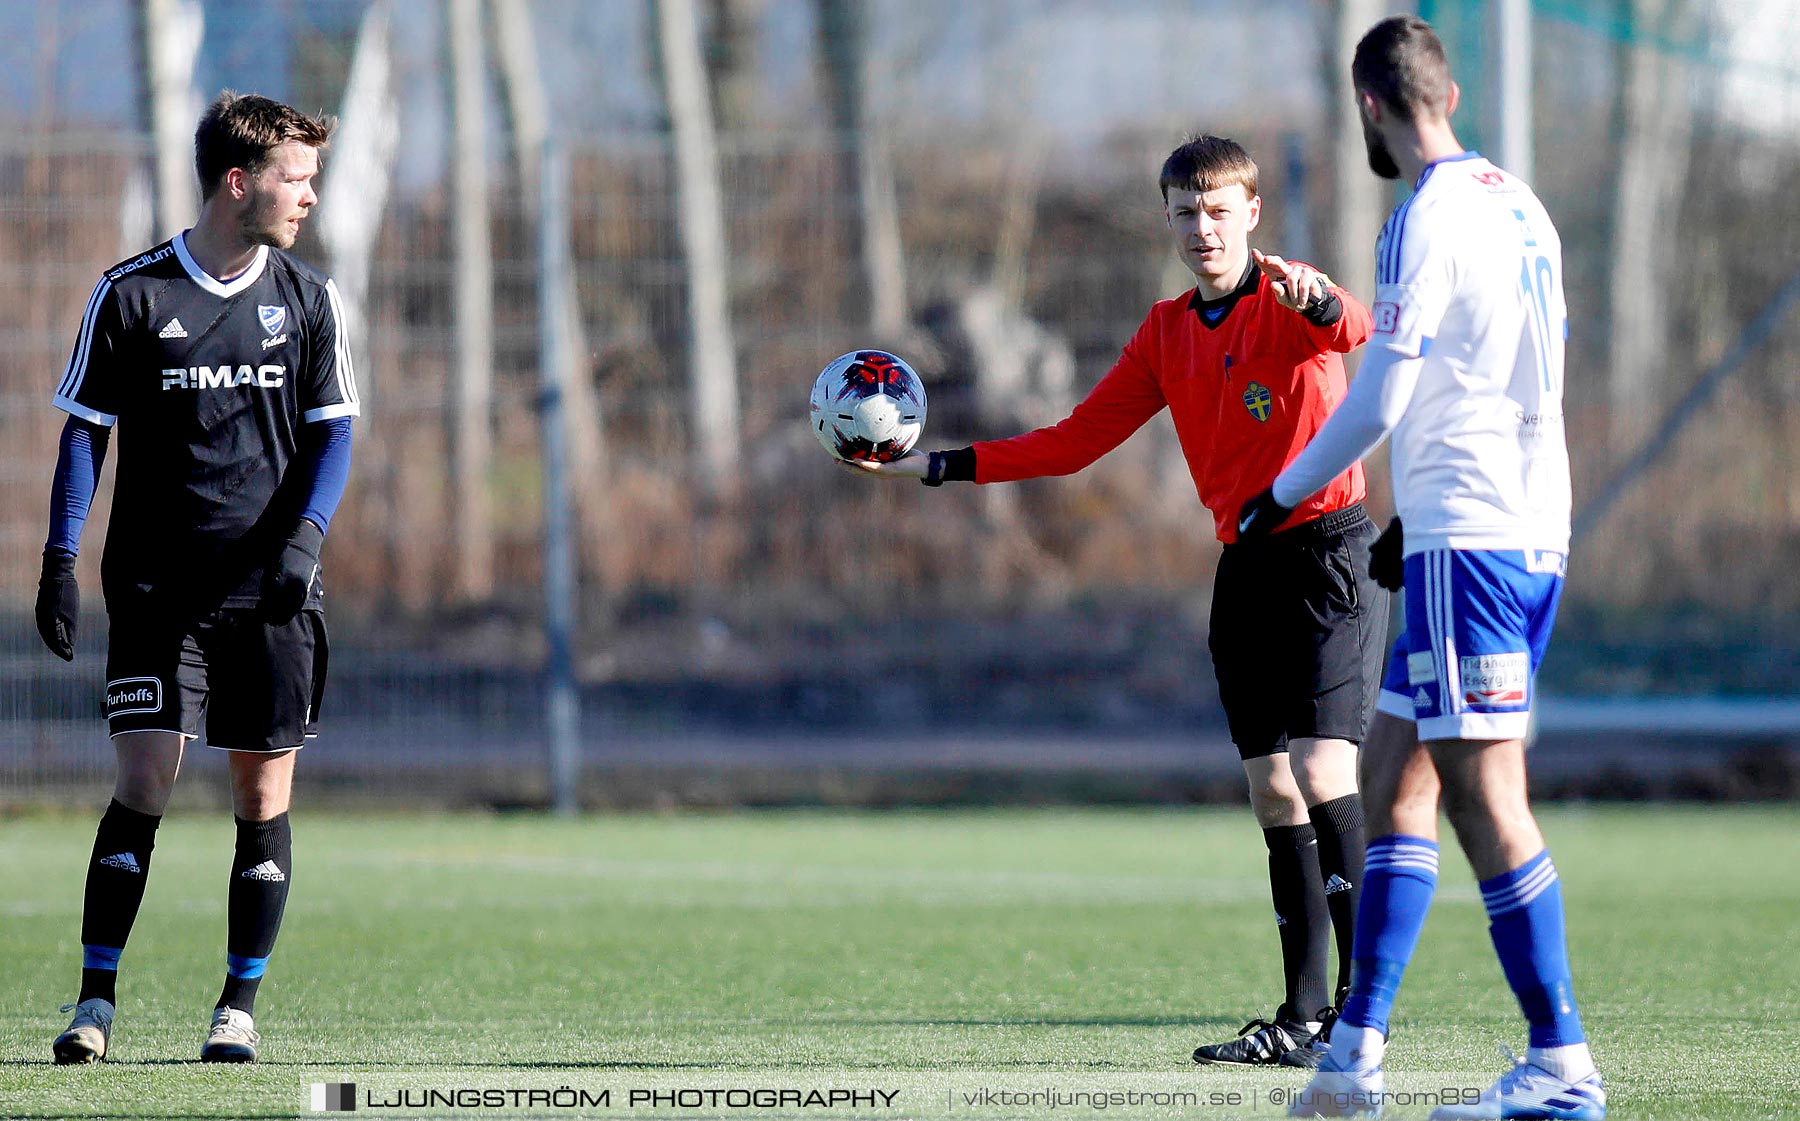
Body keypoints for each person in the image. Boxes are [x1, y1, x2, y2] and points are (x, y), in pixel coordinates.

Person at [850, 135, 1387, 1068]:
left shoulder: (1293, 296)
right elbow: (1074, 440)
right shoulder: (1168, 331)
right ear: (1170, 221)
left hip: (1330, 557)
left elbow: (1363, 338)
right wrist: (942, 463)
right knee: (1271, 789)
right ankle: (1302, 1017)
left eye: (1220, 210)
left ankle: (1362, 1012)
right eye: (1186, 212)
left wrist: (1326, 298)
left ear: (1251, 214)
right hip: (1245, 567)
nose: (1203, 228)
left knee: (1321, 766)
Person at [1240, 17, 1604, 1121]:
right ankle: (1353, 1057)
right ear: (1444, 91)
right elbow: (1512, 367)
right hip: (1512, 523)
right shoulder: (1518, 202)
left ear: (1370, 107)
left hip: (1476, 538)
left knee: (1486, 796)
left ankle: (1561, 1063)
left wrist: (1280, 493)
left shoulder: (1426, 215)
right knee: (1398, 774)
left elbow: (1382, 396)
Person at [38, 91, 356, 1065]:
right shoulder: (130, 295)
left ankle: (237, 1006)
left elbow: (333, 432)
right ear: (237, 180)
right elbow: (85, 431)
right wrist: (59, 556)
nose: (308, 195)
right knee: (145, 775)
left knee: (260, 797)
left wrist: (303, 542)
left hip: (267, 596)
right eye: (294, 178)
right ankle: (94, 1003)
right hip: (154, 591)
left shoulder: (308, 301)